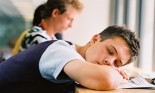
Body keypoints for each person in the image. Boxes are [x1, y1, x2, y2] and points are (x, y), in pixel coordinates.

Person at [0, 25, 140, 92]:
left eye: (117, 63)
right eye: (110, 51)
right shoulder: (60, 51)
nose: (109, 62)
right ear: (95, 39)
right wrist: (119, 77)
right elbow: (106, 79)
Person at [19, 0, 83, 52]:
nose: (71, 25)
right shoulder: (37, 36)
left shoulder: (51, 38)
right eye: (69, 19)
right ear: (55, 13)